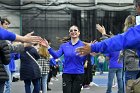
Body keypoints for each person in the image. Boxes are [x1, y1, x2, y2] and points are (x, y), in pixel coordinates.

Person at [76, 0, 140, 56]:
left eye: (136, 6)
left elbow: (120, 41)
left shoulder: (136, 33)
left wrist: (94, 47)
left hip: (131, 68)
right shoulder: (135, 33)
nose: (135, 8)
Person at [41, 25, 87, 93]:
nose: (73, 32)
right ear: (69, 33)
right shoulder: (64, 46)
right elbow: (56, 56)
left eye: (75, 30)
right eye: (71, 30)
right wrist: (48, 47)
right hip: (67, 73)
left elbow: (85, 57)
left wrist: (91, 52)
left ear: (79, 32)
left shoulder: (84, 45)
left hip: (79, 73)